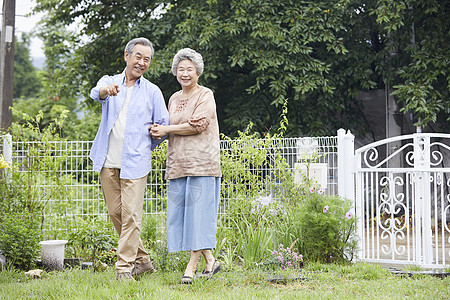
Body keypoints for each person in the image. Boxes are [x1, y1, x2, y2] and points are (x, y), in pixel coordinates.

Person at [89, 37, 169, 281]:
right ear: (127, 56)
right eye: (138, 57)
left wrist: (148, 143)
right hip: (107, 159)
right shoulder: (110, 81)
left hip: (136, 162)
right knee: (117, 213)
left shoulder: (153, 91)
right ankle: (143, 261)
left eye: (147, 59)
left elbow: (163, 126)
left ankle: (124, 268)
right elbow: (96, 93)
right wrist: (107, 90)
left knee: (132, 215)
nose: (142, 62)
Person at [150, 48, 222, 284]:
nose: (185, 73)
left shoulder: (205, 94)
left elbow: (198, 125)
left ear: (198, 72)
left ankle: (191, 267)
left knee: (199, 216)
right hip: (178, 164)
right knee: (185, 217)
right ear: (175, 72)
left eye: (189, 69)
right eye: (181, 69)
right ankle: (210, 261)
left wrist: (167, 130)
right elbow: (164, 127)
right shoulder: (173, 98)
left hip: (202, 164)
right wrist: (156, 131)